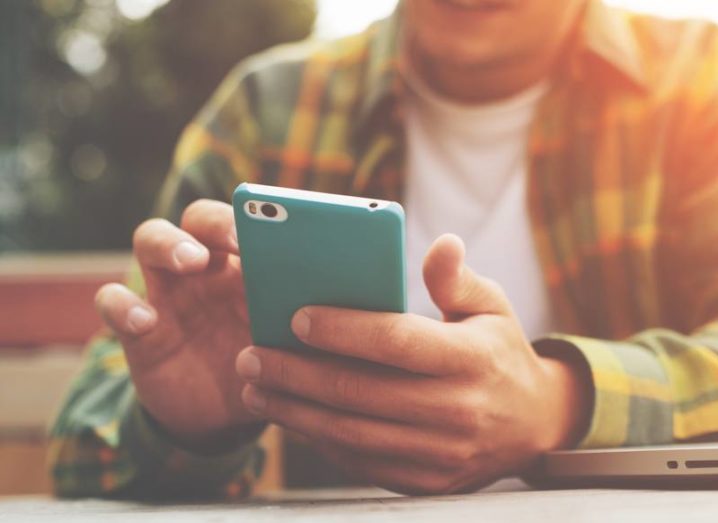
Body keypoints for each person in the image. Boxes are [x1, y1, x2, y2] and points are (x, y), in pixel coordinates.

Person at [50, 0, 718, 498]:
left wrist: (559, 399)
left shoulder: (699, 84)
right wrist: (181, 426)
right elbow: (80, 451)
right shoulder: (265, 108)